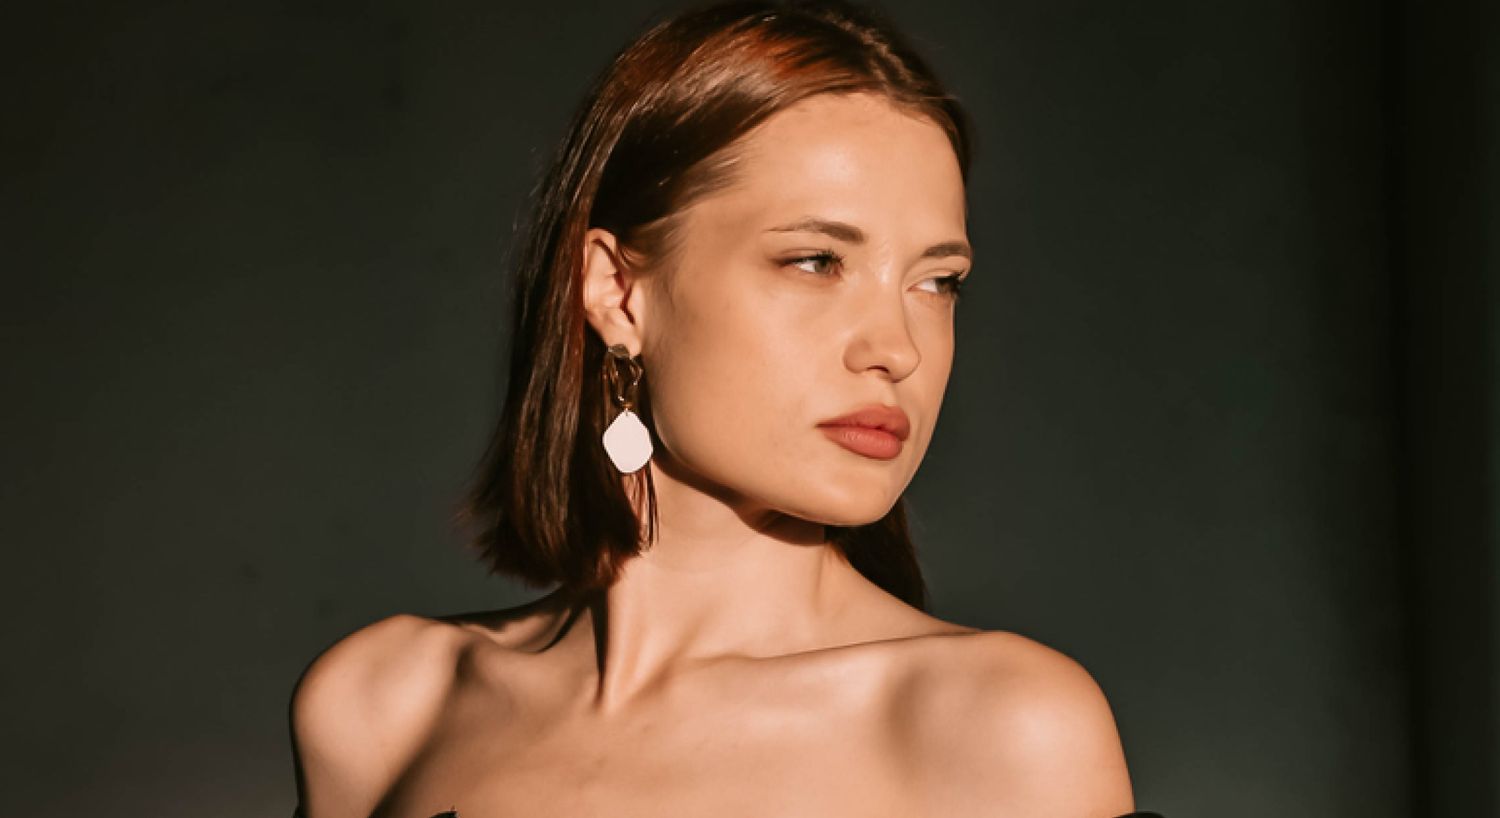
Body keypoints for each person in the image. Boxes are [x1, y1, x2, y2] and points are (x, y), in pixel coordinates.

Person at [289, 1, 1153, 816]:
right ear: (619, 292)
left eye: (937, 282)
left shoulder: (1000, 728)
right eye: (816, 261)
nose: (898, 347)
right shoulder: (384, 706)